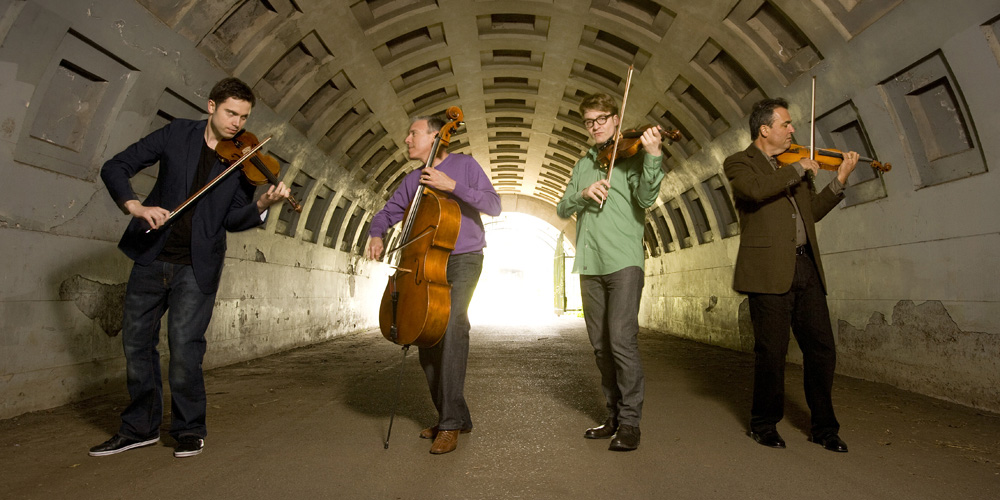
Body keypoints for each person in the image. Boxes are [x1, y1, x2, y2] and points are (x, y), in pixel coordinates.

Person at [90, 77, 290, 458]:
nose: (237, 124)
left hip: (196, 268)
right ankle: (140, 428)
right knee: (136, 345)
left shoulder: (244, 158)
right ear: (211, 106)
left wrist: (262, 205)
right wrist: (136, 207)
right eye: (231, 113)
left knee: (185, 349)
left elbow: (232, 219)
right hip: (152, 256)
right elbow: (116, 166)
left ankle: (188, 429)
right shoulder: (177, 133)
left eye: (244, 117)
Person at [724, 97, 858, 453]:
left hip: (806, 267)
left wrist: (838, 181)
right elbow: (755, 191)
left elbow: (811, 212)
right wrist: (798, 168)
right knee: (772, 352)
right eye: (785, 124)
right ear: (764, 129)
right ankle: (763, 424)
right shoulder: (739, 163)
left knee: (822, 349)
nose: (792, 130)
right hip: (767, 271)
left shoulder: (794, 164)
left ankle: (824, 428)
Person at [366, 115, 501, 454]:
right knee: (425, 333)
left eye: (413, 133)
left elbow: (494, 205)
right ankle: (454, 416)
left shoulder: (465, 166)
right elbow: (387, 213)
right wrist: (375, 233)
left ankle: (450, 425)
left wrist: (452, 185)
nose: (407, 140)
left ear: (436, 136)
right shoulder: (412, 179)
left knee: (453, 327)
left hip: (463, 259)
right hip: (424, 261)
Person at [556, 93, 664, 452]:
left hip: (623, 262)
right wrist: (583, 193)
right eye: (589, 121)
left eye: (601, 118)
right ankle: (613, 416)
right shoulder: (583, 164)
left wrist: (653, 156)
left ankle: (631, 424)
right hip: (590, 263)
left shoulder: (633, 157)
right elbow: (562, 207)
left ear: (616, 119)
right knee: (601, 347)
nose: (595, 126)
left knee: (621, 341)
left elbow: (646, 199)